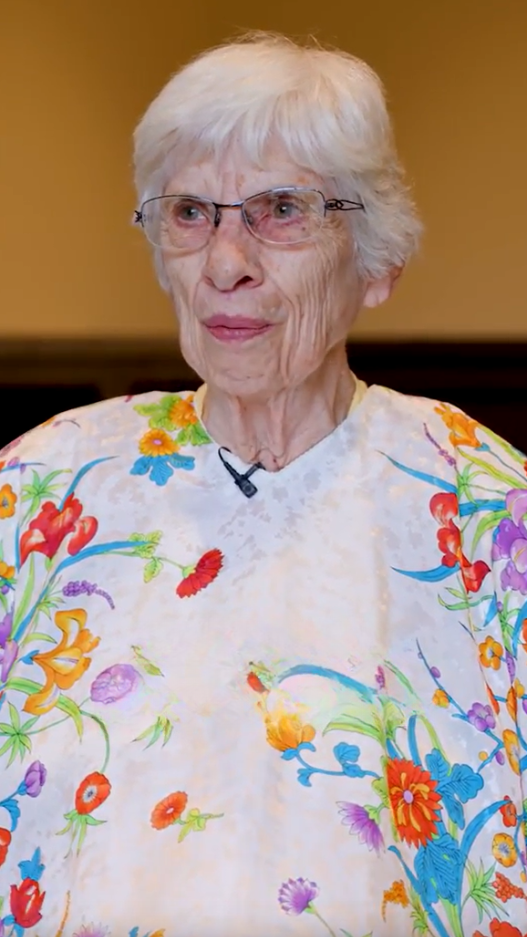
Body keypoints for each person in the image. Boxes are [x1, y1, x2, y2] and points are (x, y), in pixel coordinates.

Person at [0, 33, 525, 937]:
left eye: (280, 209)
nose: (225, 260)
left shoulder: (482, 503)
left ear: (375, 260)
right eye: (191, 212)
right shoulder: (43, 487)